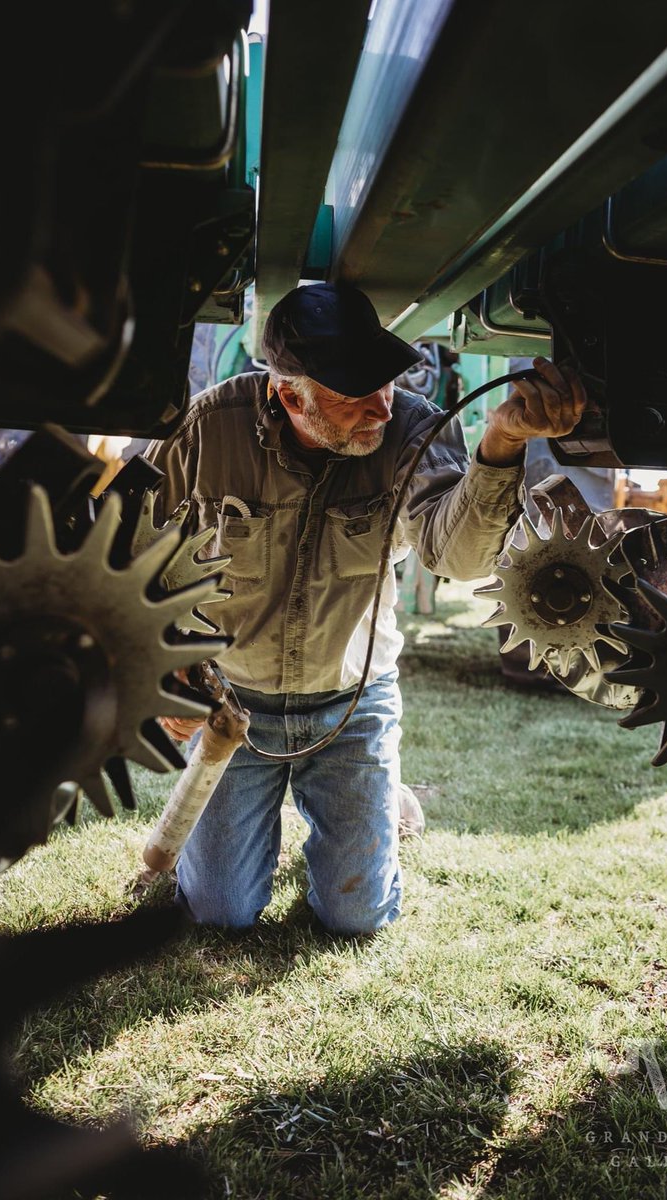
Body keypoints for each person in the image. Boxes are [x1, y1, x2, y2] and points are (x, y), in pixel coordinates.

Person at [149, 282, 585, 934]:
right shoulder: (207, 430)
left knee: (357, 919)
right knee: (218, 914)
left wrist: (500, 445)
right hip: (234, 705)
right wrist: (163, 661)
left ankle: (384, 802)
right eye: (352, 397)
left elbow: (456, 557)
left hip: (354, 703)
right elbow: (134, 547)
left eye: (384, 382)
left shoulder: (410, 425)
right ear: (287, 394)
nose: (380, 407)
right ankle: (345, 814)